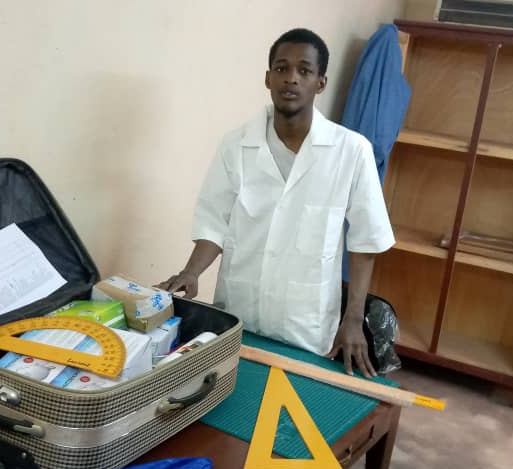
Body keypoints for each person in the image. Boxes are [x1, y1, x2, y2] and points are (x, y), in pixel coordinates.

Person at [157, 28, 394, 377]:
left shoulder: (352, 151)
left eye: (304, 70)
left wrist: (353, 318)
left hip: (306, 326)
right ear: (268, 78)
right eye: (282, 68)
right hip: (239, 313)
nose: (291, 78)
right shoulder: (236, 145)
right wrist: (191, 272)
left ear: (321, 83)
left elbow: (366, 241)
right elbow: (214, 221)